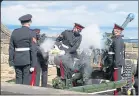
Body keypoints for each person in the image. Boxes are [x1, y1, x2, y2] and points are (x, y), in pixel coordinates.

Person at [9, 14, 38, 85]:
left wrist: (11, 61)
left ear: (21, 23)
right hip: (27, 60)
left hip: (17, 60)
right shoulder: (31, 32)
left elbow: (11, 48)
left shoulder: (15, 32)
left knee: (18, 79)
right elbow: (33, 50)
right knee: (26, 81)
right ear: (29, 22)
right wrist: (33, 65)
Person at [111, 24, 125, 95]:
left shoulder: (117, 40)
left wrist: (115, 65)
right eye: (114, 29)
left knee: (116, 84)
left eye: (116, 30)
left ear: (119, 31)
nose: (114, 31)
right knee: (116, 83)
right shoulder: (118, 39)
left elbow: (117, 53)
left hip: (117, 64)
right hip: (118, 63)